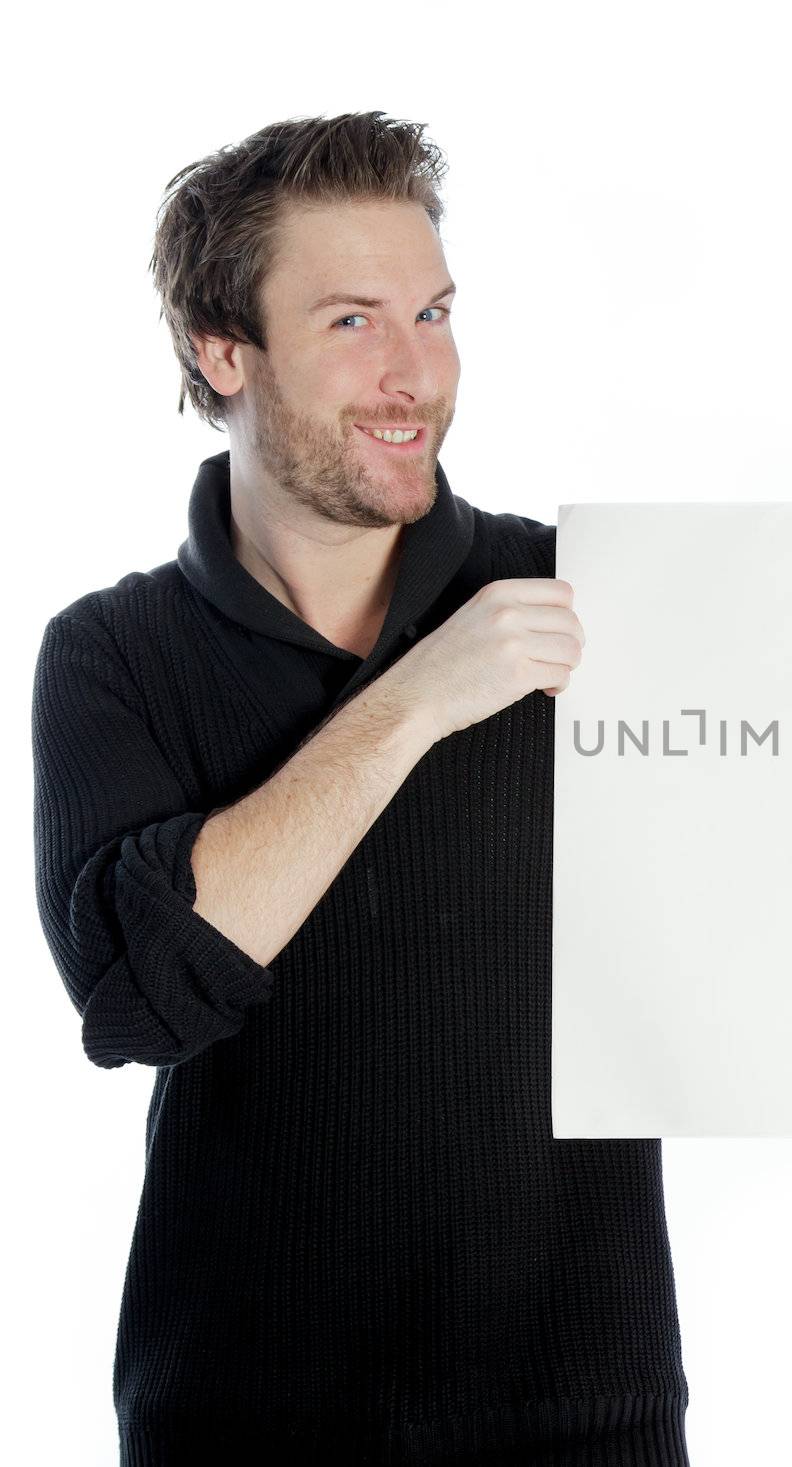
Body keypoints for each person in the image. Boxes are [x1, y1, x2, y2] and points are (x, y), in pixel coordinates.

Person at [30, 111, 691, 1465]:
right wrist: (419, 701)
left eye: (434, 313)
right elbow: (140, 996)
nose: (416, 376)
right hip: (240, 1424)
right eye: (351, 323)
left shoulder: (590, 601)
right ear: (224, 352)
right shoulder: (114, 656)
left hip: (583, 1422)